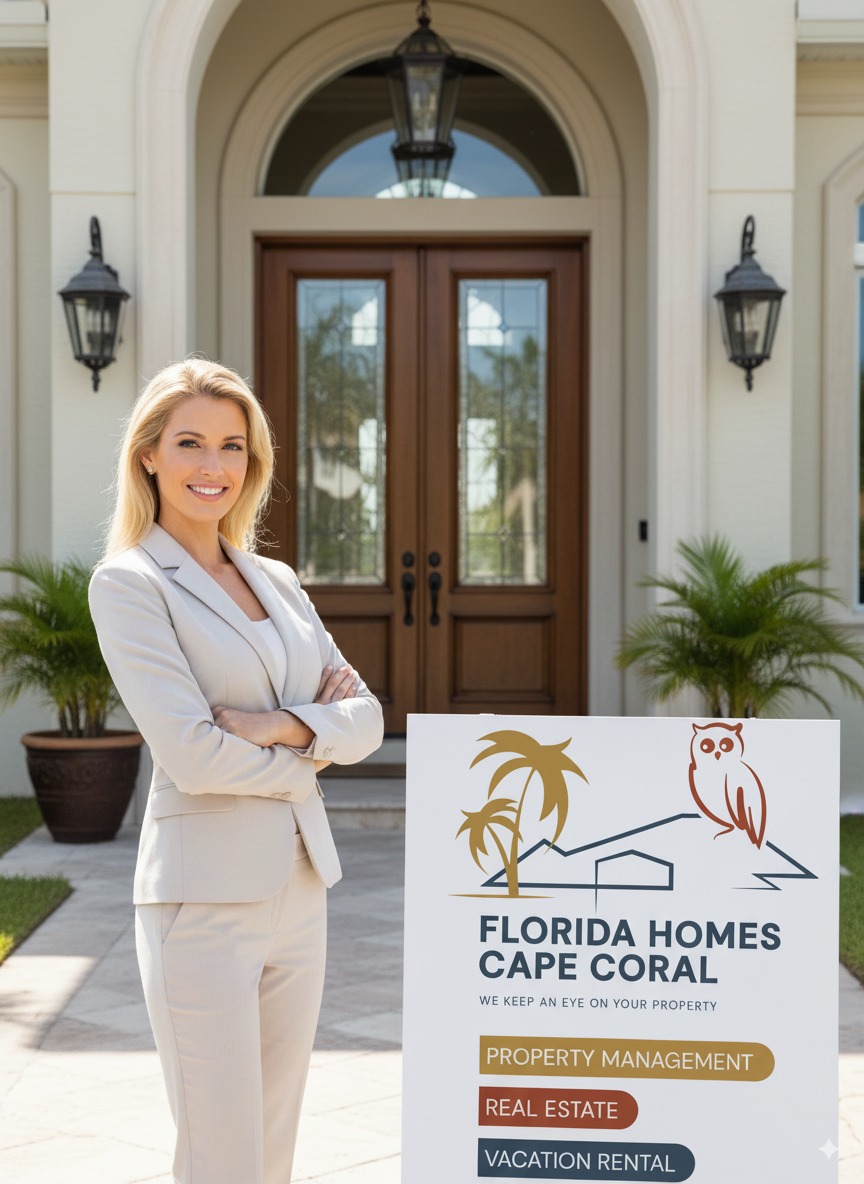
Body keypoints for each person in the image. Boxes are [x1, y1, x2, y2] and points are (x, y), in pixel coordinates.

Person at [88, 358, 384, 1184]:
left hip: (300, 886)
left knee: (272, 1147)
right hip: (203, 901)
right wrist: (311, 751)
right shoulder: (130, 584)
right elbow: (189, 753)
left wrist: (280, 725)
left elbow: (368, 719)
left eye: (232, 445)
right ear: (149, 455)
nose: (213, 465)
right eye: (190, 443)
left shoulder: (277, 581)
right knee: (221, 1155)